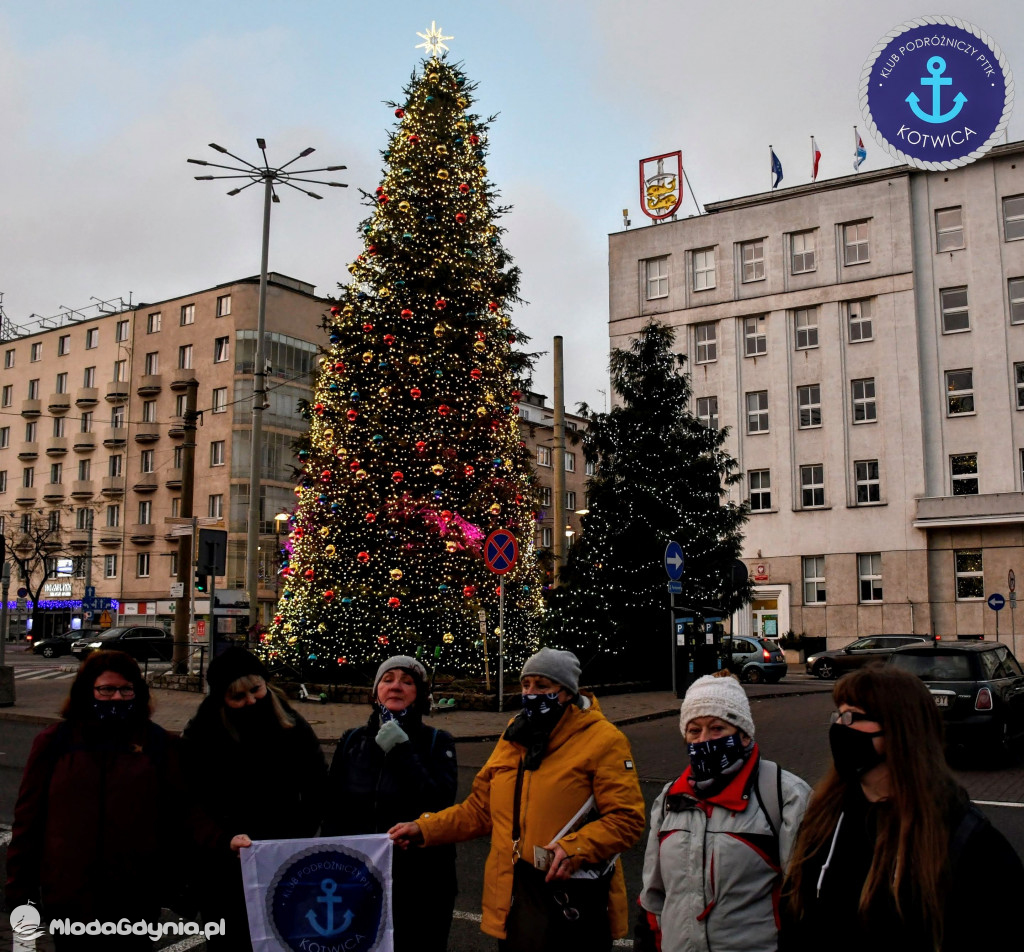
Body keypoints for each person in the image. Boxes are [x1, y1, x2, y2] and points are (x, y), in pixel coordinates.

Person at [389, 647, 646, 952]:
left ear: (566, 692)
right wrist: (425, 829)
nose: (531, 693)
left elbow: (627, 819)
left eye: (543, 686)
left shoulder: (605, 740)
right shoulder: (516, 734)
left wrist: (576, 847)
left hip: (570, 899)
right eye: (526, 685)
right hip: (516, 898)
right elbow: (481, 810)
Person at [780, 664, 1024, 952]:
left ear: (899, 729)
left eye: (851, 717)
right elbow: (795, 913)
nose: (839, 728)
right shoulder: (825, 817)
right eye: (837, 715)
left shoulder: (969, 842)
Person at [6, 650, 240, 949]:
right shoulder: (55, 742)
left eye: (125, 689)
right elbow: (28, 821)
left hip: (135, 893)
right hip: (69, 894)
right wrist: (19, 893)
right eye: (107, 689)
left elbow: (185, 810)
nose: (117, 697)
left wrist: (224, 841)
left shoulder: (159, 744)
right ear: (87, 691)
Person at [639, 673, 811, 952]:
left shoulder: (785, 795)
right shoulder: (671, 798)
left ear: (743, 734)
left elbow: (805, 903)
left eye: (717, 728)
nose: (704, 739)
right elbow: (653, 894)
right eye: (694, 731)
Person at [180, 647, 328, 951]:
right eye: (238, 696)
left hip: (281, 856)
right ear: (222, 698)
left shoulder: (292, 724)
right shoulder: (202, 732)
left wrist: (295, 837)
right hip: (224, 862)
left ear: (266, 683)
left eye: (256, 690)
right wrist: (223, 840)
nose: (250, 701)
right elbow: (189, 798)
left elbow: (316, 785)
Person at [323, 655, 458, 952]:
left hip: (420, 885)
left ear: (420, 695)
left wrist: (402, 749)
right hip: (360, 879)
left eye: (407, 682)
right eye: (388, 679)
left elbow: (441, 805)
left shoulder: (438, 742)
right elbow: (333, 808)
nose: (396, 686)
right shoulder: (352, 740)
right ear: (375, 692)